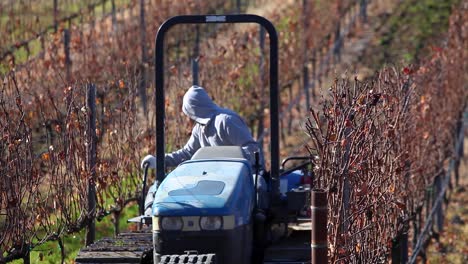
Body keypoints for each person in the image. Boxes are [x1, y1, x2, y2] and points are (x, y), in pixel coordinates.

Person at [141, 85, 267, 215]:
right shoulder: (199, 129)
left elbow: (252, 150)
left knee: (258, 187)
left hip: (240, 179)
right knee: (157, 187)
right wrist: (160, 160)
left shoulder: (226, 121)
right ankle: (153, 219)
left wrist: (227, 163)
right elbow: (187, 153)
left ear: (193, 109)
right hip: (216, 180)